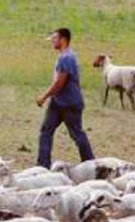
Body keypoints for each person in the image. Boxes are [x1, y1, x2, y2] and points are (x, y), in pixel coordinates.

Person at [35, 27, 95, 169]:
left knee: (76, 134)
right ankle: (42, 165)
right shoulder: (66, 56)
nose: (52, 42)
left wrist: (44, 97)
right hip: (58, 102)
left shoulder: (66, 58)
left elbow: (60, 83)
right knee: (46, 130)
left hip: (70, 104)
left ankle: (91, 164)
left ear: (63, 40)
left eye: (55, 39)